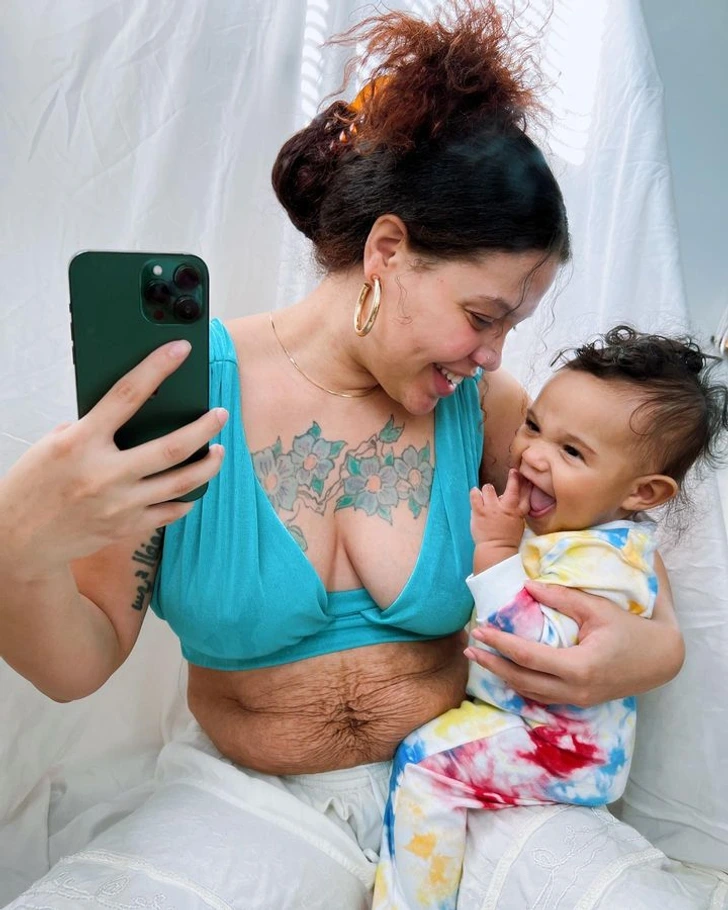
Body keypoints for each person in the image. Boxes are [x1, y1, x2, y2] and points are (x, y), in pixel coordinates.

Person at [0, 5, 685, 908]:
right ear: (388, 250)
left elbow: (612, 534)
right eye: (482, 317)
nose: (493, 356)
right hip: (247, 799)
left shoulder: (485, 409)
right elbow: (77, 665)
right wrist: (17, 545)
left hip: (474, 789)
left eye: (510, 327)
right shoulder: (184, 398)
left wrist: (656, 652)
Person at [373, 326, 728, 910]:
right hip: (529, 727)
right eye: (534, 425)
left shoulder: (607, 562)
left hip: (567, 750)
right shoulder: (570, 532)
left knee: (426, 763)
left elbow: (535, 650)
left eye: (572, 452)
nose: (534, 454)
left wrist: (495, 553)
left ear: (642, 492)